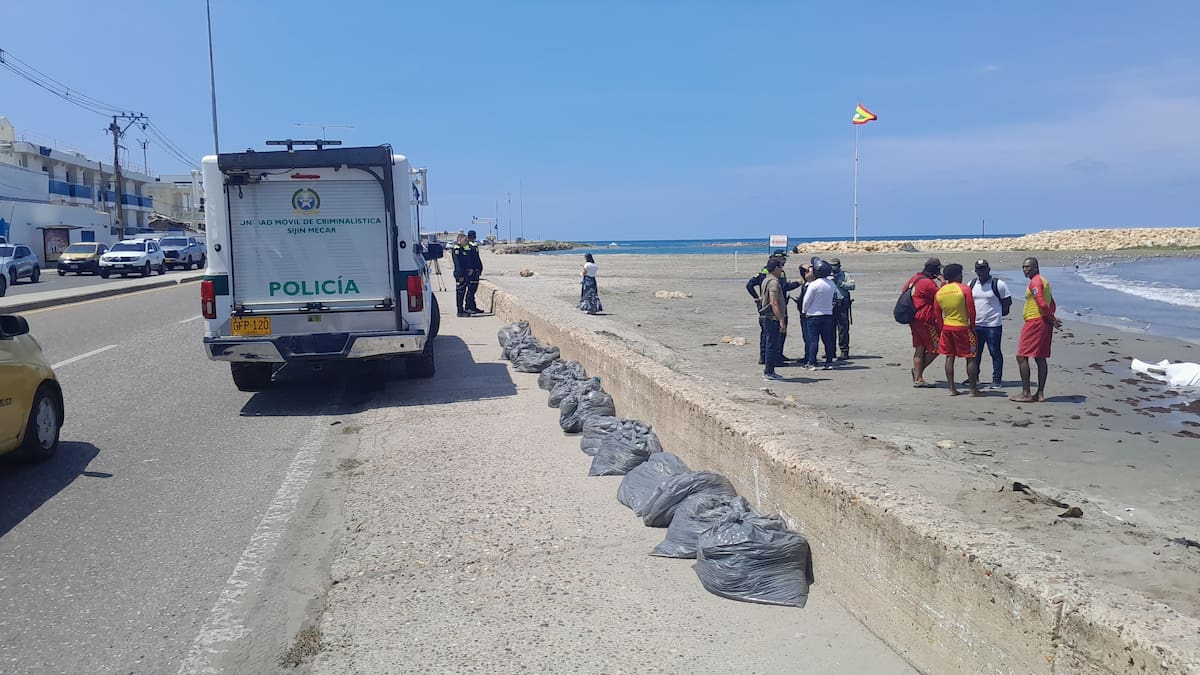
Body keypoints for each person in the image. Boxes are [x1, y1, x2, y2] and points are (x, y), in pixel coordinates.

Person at [1011, 257, 1062, 402]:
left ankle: (1026, 393)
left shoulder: (1036, 282)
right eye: (1023, 267)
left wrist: (1051, 318)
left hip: (1035, 322)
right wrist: (1051, 319)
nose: (1025, 269)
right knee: (1040, 357)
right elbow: (1051, 303)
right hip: (1044, 322)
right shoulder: (1044, 281)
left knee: (1021, 356)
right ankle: (1040, 393)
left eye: (1028, 267)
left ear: (1035, 267)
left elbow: (1042, 303)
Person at [747, 250, 800, 364]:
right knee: (778, 331)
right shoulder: (776, 273)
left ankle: (766, 356)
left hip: (765, 305)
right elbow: (784, 287)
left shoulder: (764, 271)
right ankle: (774, 357)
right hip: (776, 306)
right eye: (783, 260)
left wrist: (757, 298)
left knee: (766, 332)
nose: (785, 262)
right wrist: (798, 283)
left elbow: (750, 285)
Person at [934, 264, 979, 396]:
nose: (962, 275)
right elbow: (971, 310)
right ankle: (972, 390)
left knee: (949, 357)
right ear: (957, 275)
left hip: (947, 327)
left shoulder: (940, 292)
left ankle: (951, 388)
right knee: (970, 357)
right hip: (962, 327)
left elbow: (937, 314)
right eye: (961, 273)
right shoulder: (964, 289)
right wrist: (972, 326)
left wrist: (942, 328)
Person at [968, 259, 1012, 388]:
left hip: (993, 325)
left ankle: (997, 379)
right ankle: (974, 377)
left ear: (989, 269)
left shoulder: (999, 284)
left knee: (995, 352)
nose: (982, 271)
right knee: (975, 353)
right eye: (979, 269)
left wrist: (997, 316)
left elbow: (1007, 303)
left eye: (984, 268)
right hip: (976, 325)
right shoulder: (971, 284)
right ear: (976, 271)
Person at [904, 258, 943, 387]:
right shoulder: (927, 283)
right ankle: (918, 374)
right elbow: (941, 296)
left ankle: (918, 377)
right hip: (925, 320)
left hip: (913, 319)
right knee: (936, 348)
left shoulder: (913, 279)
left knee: (920, 348)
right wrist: (942, 282)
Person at [801, 260, 838, 371]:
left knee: (813, 340)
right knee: (828, 340)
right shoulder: (832, 284)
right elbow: (834, 300)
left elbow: (806, 301)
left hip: (814, 315)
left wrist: (804, 311)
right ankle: (829, 362)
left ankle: (811, 363)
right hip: (827, 314)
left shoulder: (814, 285)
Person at [758, 258, 788, 381]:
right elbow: (774, 302)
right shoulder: (773, 282)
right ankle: (769, 371)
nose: (782, 269)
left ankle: (770, 371)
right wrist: (781, 320)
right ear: (776, 268)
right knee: (772, 345)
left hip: (768, 317)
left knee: (771, 343)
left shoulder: (767, 279)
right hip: (771, 318)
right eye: (781, 266)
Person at [828, 258, 856, 360]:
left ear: (839, 266)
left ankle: (844, 351)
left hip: (842, 303)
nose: (833, 267)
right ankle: (830, 351)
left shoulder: (845, 275)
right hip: (830, 304)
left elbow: (852, 286)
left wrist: (839, 282)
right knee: (829, 329)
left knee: (843, 329)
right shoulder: (827, 275)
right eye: (831, 265)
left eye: (835, 265)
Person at [451, 233, 472, 317]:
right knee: (460, 292)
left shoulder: (462, 248)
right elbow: (458, 263)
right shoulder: (457, 249)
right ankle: (460, 310)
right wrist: (460, 275)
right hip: (460, 274)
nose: (467, 241)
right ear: (460, 240)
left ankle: (462, 309)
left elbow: (465, 260)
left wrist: (469, 269)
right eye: (465, 240)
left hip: (464, 273)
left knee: (462, 292)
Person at [463, 229, 483, 314]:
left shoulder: (474, 245)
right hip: (472, 271)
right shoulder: (469, 246)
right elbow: (469, 259)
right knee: (471, 290)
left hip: (476, 270)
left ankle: (473, 306)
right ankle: (468, 307)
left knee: (473, 289)